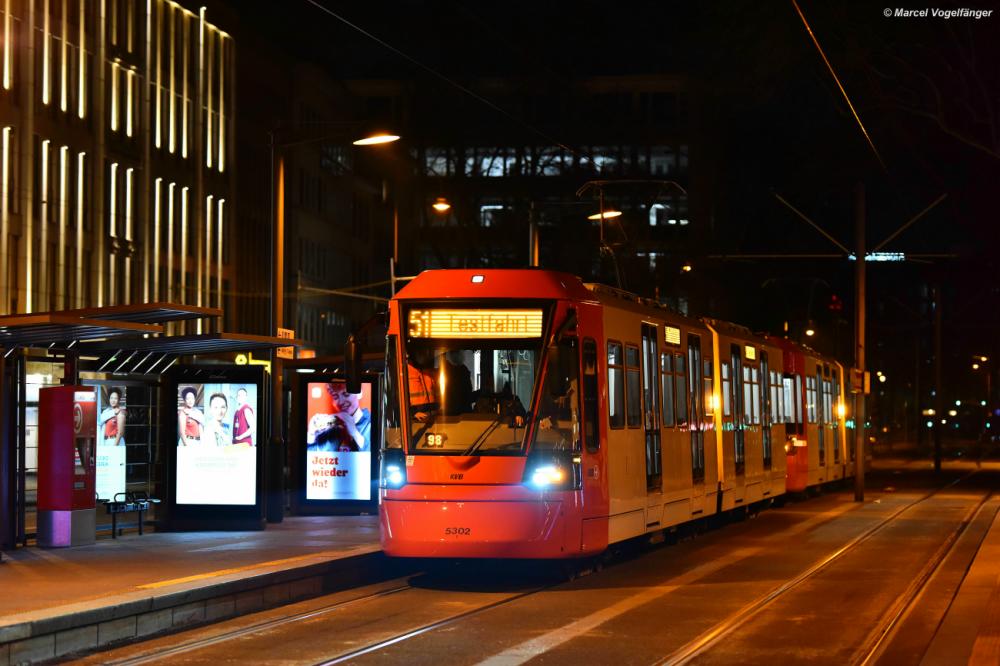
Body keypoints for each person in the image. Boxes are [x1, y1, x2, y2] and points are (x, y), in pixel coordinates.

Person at [307, 382, 372, 452]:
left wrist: (355, 433)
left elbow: (376, 458)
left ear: (359, 393)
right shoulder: (330, 428)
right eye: (335, 396)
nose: (341, 402)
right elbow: (312, 459)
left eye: (346, 394)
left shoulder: (373, 423)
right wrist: (311, 436)